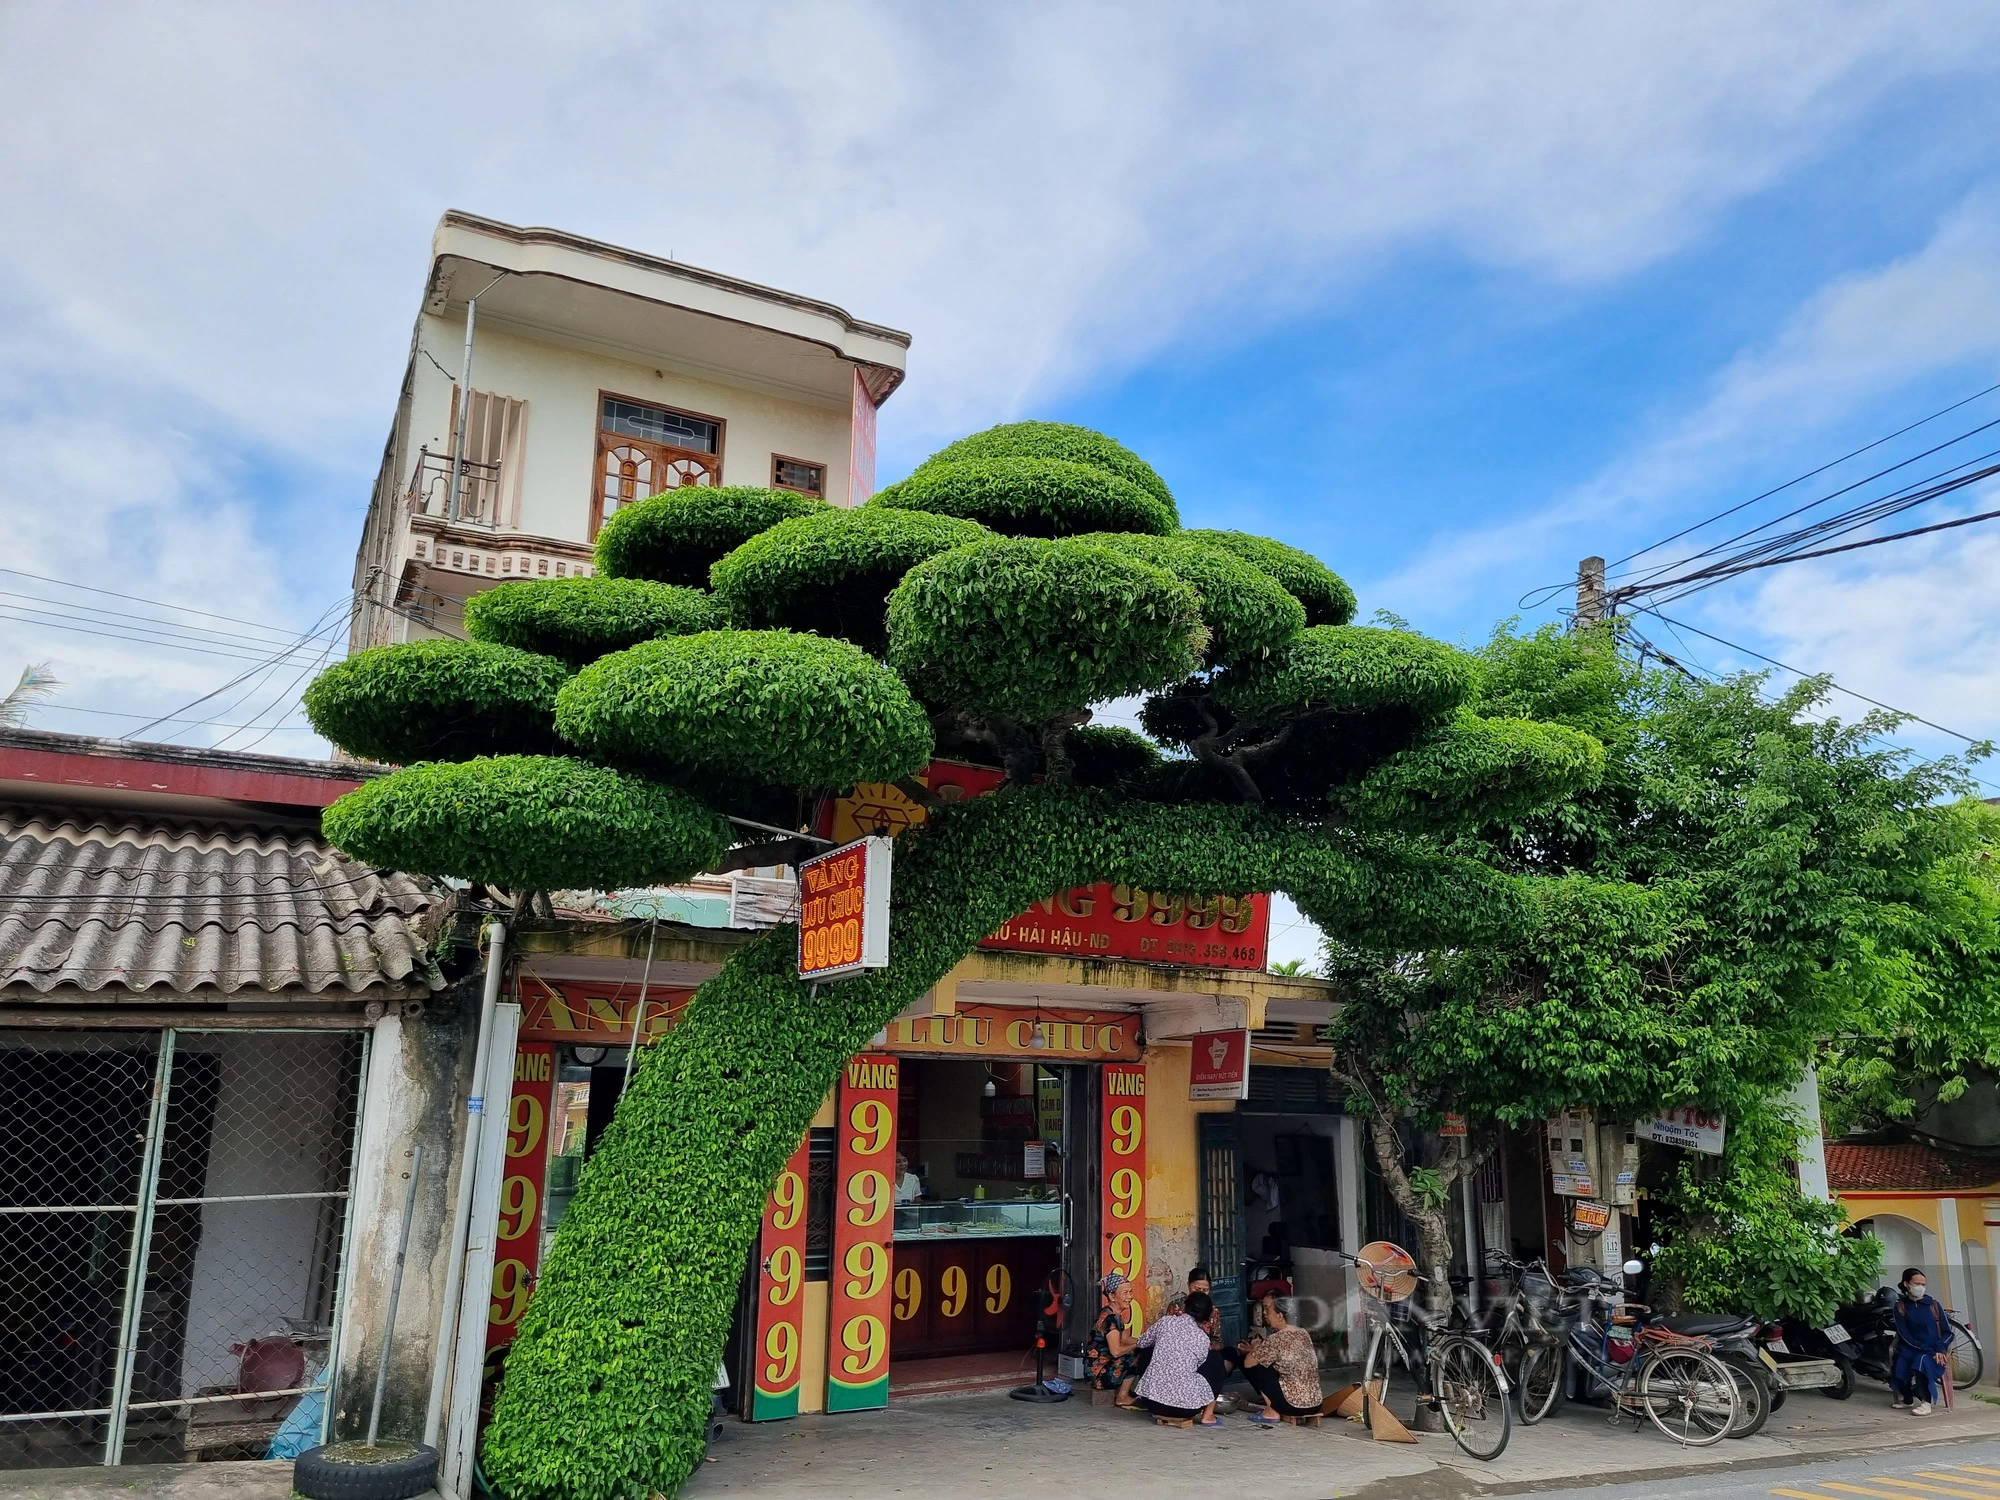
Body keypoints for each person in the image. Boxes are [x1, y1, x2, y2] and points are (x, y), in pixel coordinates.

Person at [1135, 1291, 1220, 1426]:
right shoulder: (1202, 1338)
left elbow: (1141, 1342)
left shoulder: (1165, 1322)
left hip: (1151, 1403)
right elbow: (1200, 1364)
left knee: (1146, 1349)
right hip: (1185, 1409)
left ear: (1185, 1307)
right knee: (1216, 1360)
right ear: (1206, 1316)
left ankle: (1150, 1392)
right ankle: (1208, 1415)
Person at [1240, 1293, 1324, 1423]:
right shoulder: (1303, 1332)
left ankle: (1271, 1411)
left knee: (1255, 1365)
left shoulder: (1276, 1339)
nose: (1264, 1314)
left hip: (1293, 1406)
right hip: (1315, 1404)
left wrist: (1254, 1349)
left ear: (1279, 1316)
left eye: (1267, 1310)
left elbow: (1248, 1363)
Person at [1891, 1268, 1954, 1416]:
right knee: (1900, 1362)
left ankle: (1926, 1402)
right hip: (1911, 1347)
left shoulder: (1933, 1305)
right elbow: (1903, 1334)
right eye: (1916, 1283)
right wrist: (1922, 1348)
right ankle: (1907, 1398)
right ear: (1907, 1284)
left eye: (1923, 1284)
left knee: (1922, 1362)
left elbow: (1948, 1332)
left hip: (1935, 1350)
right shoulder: (1900, 1306)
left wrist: (1939, 1348)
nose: (1920, 1287)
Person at [1086, 1272, 1145, 1405]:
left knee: (1142, 1347)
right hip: (1099, 1374)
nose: (1130, 1297)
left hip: (1103, 1368)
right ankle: (1122, 1396)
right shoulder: (1110, 1318)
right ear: (1112, 1296)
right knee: (1136, 1353)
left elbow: (1125, 1338)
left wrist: (1148, 1340)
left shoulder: (1114, 1314)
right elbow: (1116, 1351)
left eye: (1131, 1292)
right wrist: (1140, 1344)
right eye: (1125, 1293)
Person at [1185, 1266, 1242, 1389]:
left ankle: (1210, 1387)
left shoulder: (1213, 1310)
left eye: (1205, 1290)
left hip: (1205, 1353)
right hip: (1182, 1354)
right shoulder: (1177, 1307)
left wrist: (1210, 1346)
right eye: (1197, 1289)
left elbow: (1217, 1340)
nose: (1201, 1293)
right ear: (1188, 1285)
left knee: (1230, 1353)